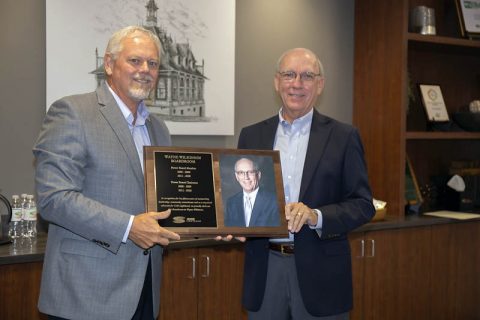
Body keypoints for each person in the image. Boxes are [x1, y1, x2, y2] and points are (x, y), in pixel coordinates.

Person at [33, 26, 181, 320]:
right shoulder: (73, 112)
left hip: (144, 290)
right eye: (135, 61)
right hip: (85, 293)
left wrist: (219, 224)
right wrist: (129, 227)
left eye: (152, 64)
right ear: (110, 64)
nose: (145, 70)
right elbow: (54, 199)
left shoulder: (159, 129)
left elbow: (165, 206)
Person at [237, 48, 375, 319]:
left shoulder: (343, 137)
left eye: (307, 76)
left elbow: (362, 205)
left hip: (321, 273)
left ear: (320, 85)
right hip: (265, 270)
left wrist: (316, 216)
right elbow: (242, 197)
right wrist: (233, 222)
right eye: (289, 74)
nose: (297, 84)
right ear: (277, 82)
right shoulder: (252, 135)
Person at [224, 157, 280, 227]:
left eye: (250, 172)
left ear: (258, 175)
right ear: (237, 176)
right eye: (241, 172)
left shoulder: (273, 201)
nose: (246, 177)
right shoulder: (231, 202)